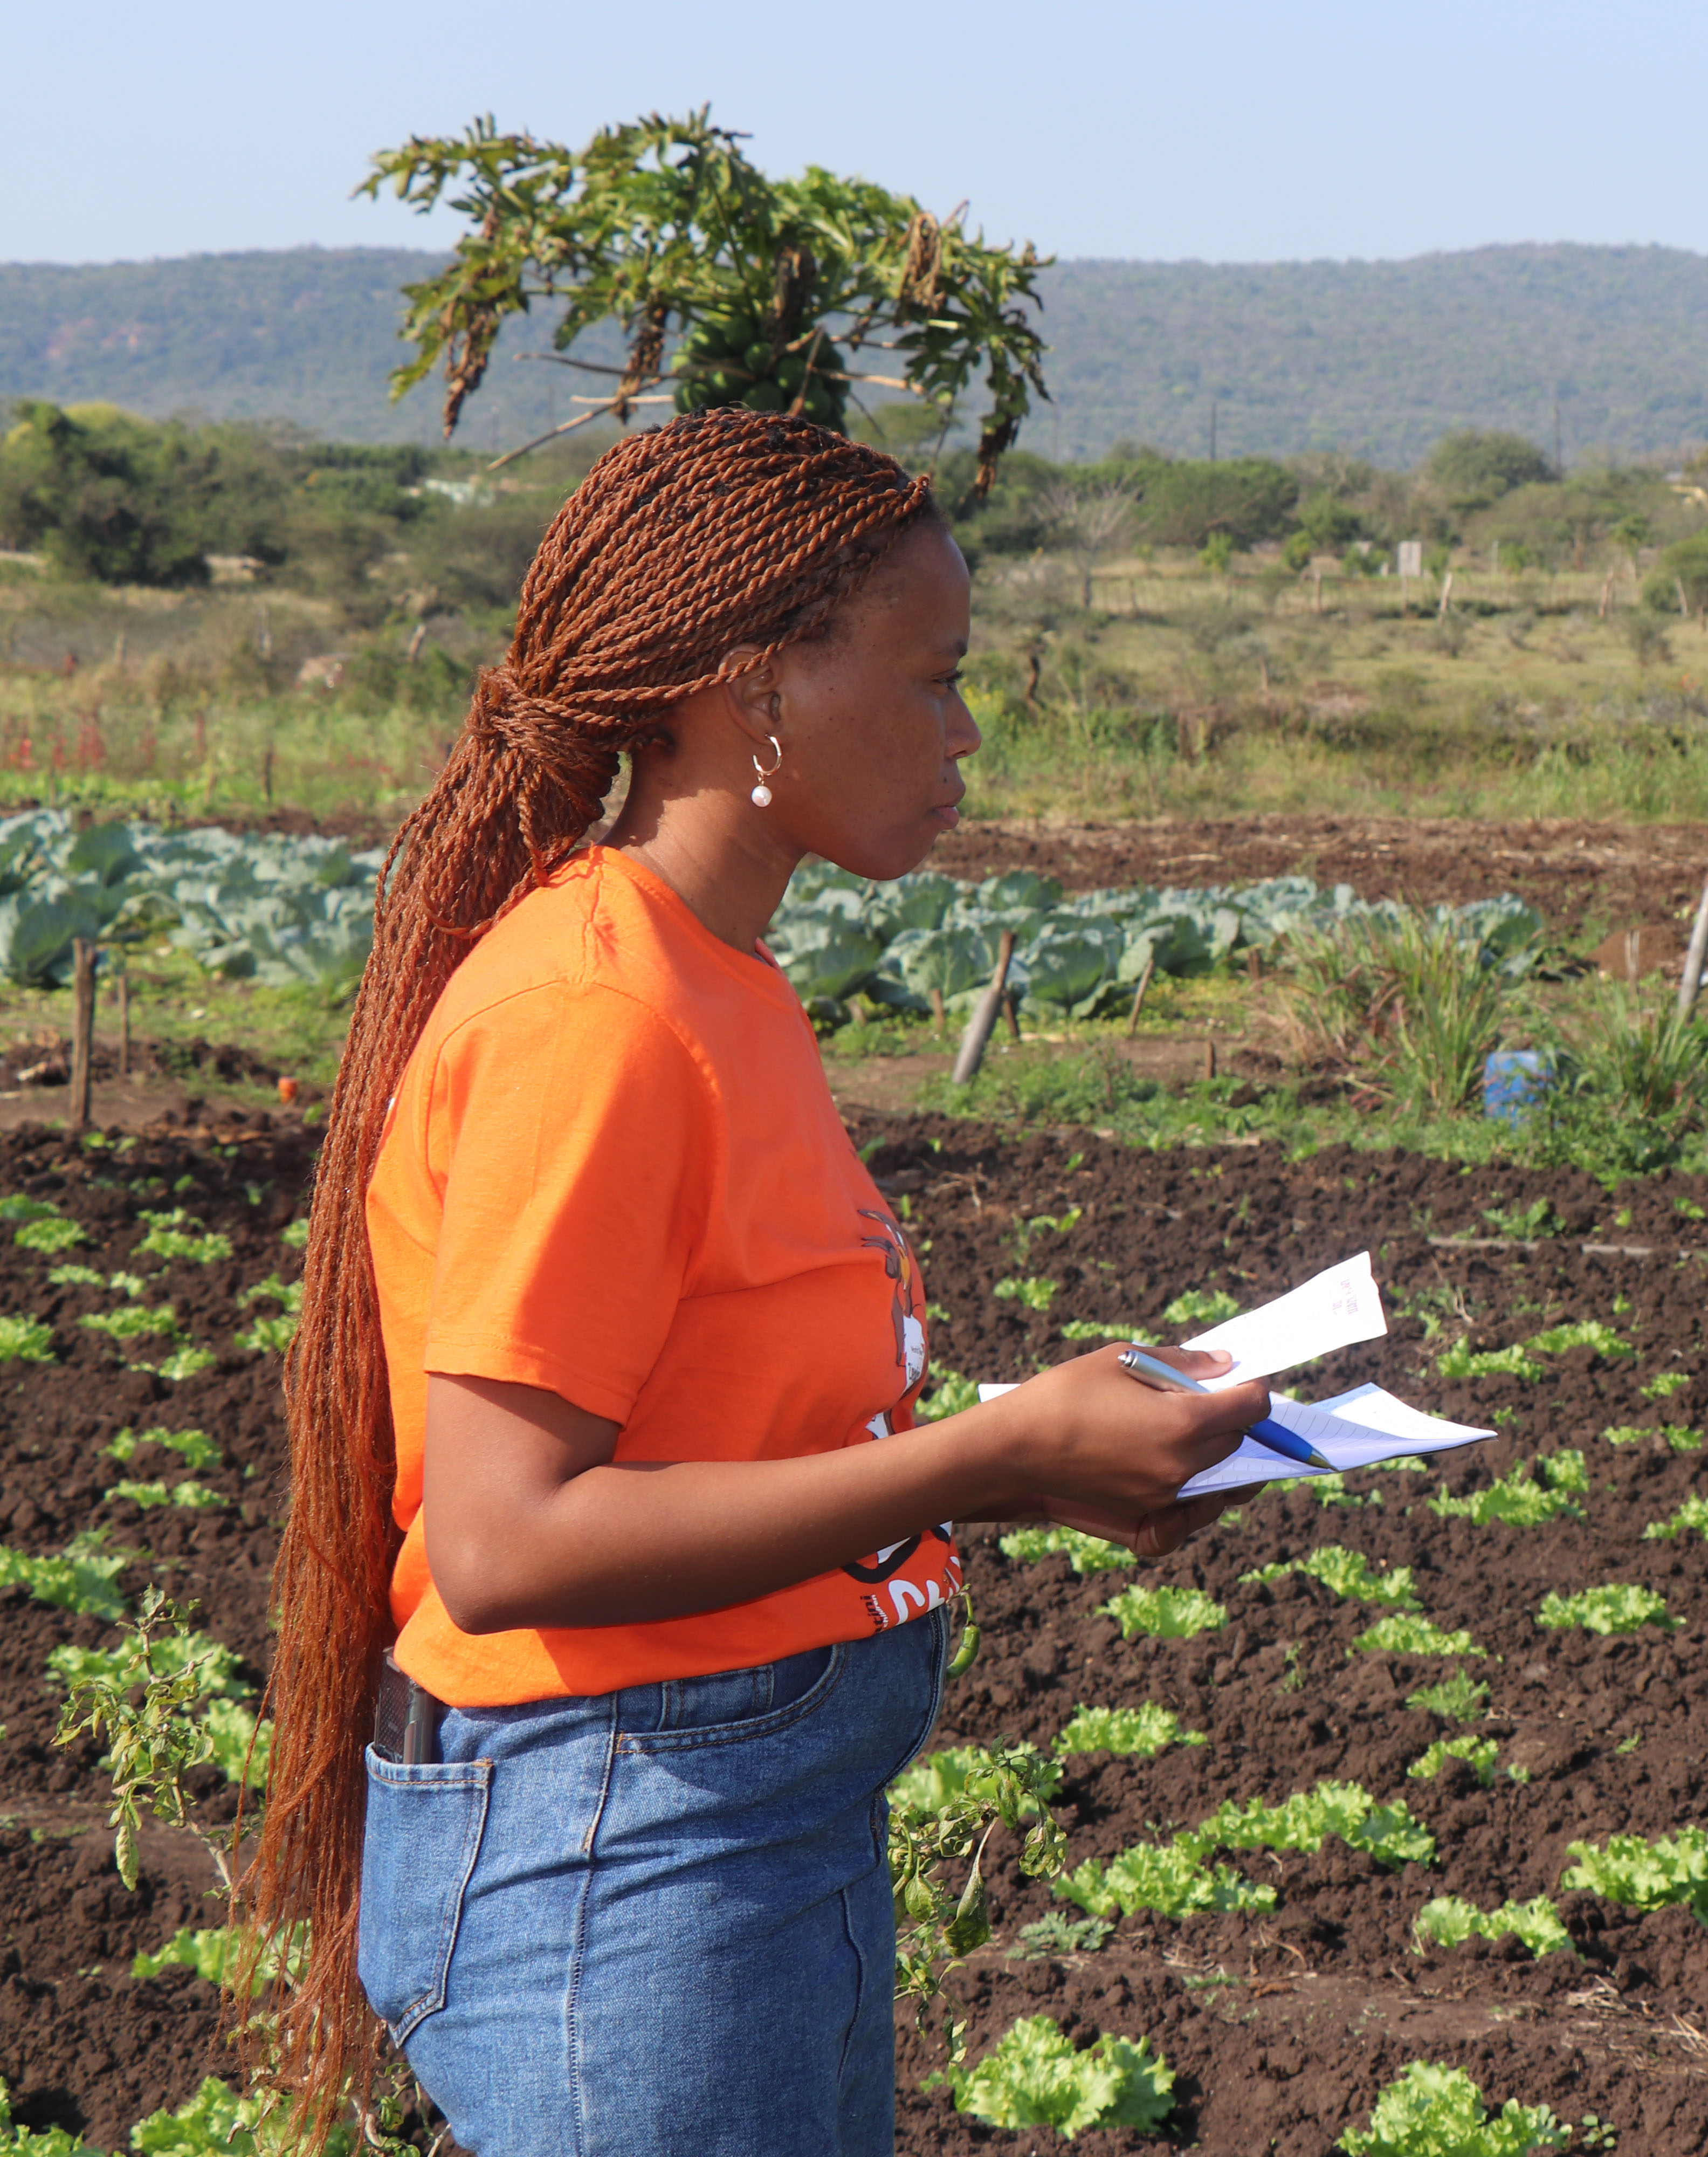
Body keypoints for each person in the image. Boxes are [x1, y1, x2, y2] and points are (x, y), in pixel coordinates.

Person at [249, 409, 1269, 2154]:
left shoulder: (721, 983)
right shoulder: (604, 1015)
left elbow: (723, 1437)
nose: (969, 736)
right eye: (938, 678)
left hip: (742, 1824)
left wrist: (1044, 1453)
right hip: (625, 1852)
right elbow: (507, 1546)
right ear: (757, 691)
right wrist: (988, 1456)